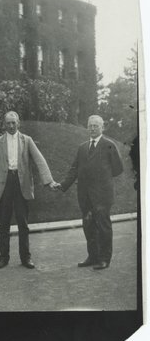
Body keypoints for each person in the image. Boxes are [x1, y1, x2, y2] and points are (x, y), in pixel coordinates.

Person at [0, 111, 55, 269]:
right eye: (8, 123)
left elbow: (39, 159)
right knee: (4, 223)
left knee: (23, 223)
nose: (11, 126)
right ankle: (3, 258)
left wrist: (49, 181)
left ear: (18, 123)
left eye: (14, 123)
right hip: (3, 185)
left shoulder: (27, 140)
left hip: (22, 184)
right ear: (4, 124)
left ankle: (26, 258)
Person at [54, 115, 125, 270]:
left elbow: (118, 168)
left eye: (96, 126)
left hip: (102, 195)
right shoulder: (82, 147)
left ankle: (105, 259)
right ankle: (93, 257)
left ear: (102, 127)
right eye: (90, 125)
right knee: (88, 226)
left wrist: (102, 179)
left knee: (103, 226)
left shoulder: (109, 145)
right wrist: (63, 184)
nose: (92, 128)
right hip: (85, 195)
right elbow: (74, 169)